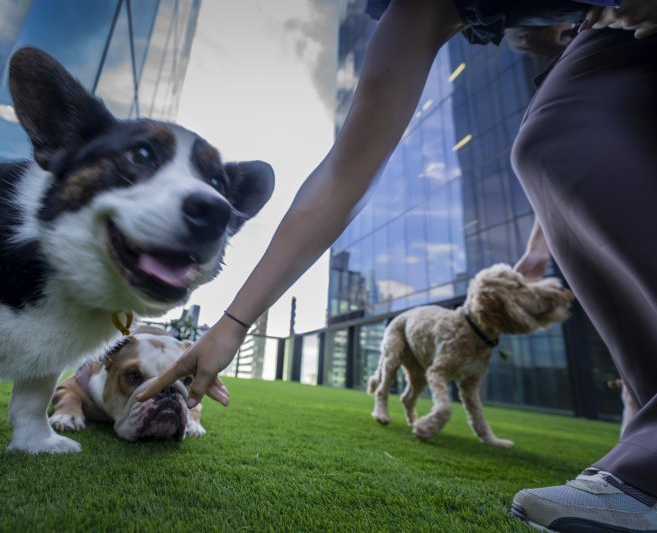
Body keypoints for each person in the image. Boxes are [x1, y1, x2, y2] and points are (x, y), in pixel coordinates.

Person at [139, 1, 657, 530]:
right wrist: (233, 323)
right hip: (619, 31)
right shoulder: (420, 12)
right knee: (551, 134)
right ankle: (643, 436)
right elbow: (343, 175)